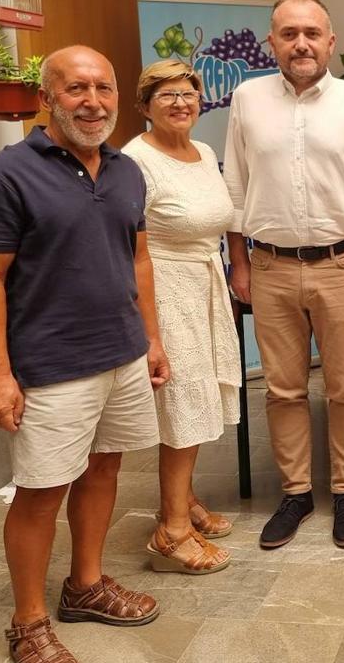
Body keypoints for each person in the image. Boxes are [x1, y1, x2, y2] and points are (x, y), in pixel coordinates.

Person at [0, 46, 167, 663]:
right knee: (42, 491)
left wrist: (152, 339)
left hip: (122, 355)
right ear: (47, 98)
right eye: (76, 89)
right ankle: (27, 622)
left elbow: (138, 259)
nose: (92, 102)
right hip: (51, 367)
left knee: (105, 470)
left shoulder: (128, 170)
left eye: (103, 89)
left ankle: (84, 585)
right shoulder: (3, 178)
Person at [223, 0, 344, 550]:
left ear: (331, 40)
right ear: (271, 41)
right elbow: (236, 186)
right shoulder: (248, 99)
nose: (301, 43)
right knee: (283, 390)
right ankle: (296, 494)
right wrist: (240, 261)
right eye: (289, 33)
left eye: (312, 33)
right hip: (270, 265)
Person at [123, 59, 241, 575]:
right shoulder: (134, 161)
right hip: (165, 292)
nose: (180, 103)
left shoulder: (204, 151)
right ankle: (171, 532)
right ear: (145, 105)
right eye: (166, 94)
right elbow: (132, 251)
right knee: (183, 404)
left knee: (199, 397)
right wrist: (149, 333)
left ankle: (184, 500)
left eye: (188, 93)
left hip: (204, 284)